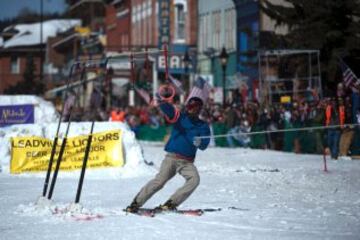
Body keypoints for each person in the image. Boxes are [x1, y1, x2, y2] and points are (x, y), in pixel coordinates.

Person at [125, 96, 211, 212]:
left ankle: (171, 204)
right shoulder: (181, 118)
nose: (191, 109)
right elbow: (170, 111)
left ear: (199, 109)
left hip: (187, 162)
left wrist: (200, 142)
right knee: (159, 182)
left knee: (194, 180)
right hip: (172, 158)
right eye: (189, 107)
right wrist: (163, 103)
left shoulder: (203, 126)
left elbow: (204, 145)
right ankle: (136, 203)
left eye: (194, 108)